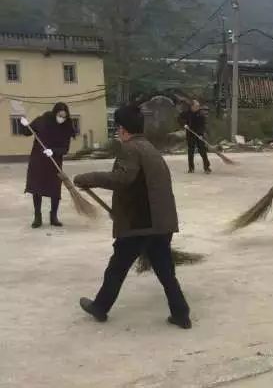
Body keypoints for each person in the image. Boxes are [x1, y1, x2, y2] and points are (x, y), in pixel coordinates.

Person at [74, 104, 192, 329]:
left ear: (122, 129)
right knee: (166, 272)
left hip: (141, 223)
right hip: (160, 222)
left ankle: (100, 307)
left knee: (117, 268)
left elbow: (122, 179)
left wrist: (87, 178)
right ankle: (181, 314)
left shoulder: (129, 149)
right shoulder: (149, 148)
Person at [22, 102, 76, 228]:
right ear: (54, 113)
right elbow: (27, 132)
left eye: (64, 116)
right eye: (60, 115)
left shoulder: (66, 127)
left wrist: (54, 151)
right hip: (38, 160)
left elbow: (65, 149)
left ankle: (54, 217)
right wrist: (24, 124)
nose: (62, 119)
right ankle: (37, 217)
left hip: (54, 162)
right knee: (37, 188)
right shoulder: (42, 121)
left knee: (55, 189)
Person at [178, 99, 211, 174]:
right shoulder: (186, 113)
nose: (198, 107)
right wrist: (184, 124)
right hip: (190, 134)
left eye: (198, 106)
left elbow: (202, 125)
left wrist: (201, 134)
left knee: (202, 151)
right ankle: (191, 168)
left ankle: (207, 167)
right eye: (196, 106)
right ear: (192, 106)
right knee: (191, 151)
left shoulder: (200, 114)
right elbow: (179, 119)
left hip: (199, 134)